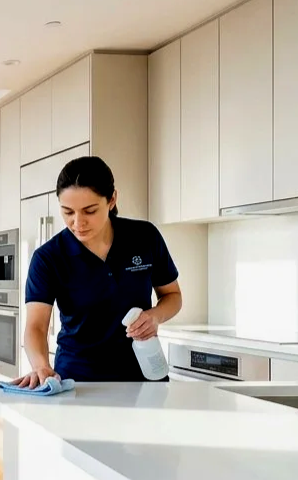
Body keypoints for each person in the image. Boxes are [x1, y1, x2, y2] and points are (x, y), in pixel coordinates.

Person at [12, 156, 182, 387]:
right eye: (68, 212)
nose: (77, 222)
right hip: (79, 380)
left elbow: (172, 296)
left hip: (143, 376)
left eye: (89, 211)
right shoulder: (48, 257)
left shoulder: (144, 237)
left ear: (112, 199)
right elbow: (36, 326)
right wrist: (41, 366)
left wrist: (155, 316)